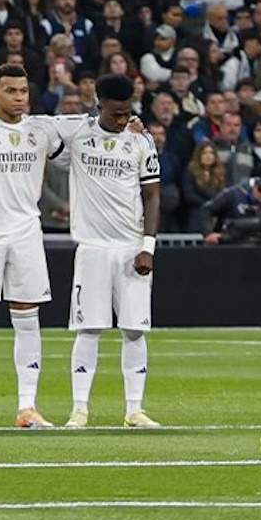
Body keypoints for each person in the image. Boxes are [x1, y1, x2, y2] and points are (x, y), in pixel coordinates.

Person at [0, 60, 92, 429]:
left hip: (26, 235)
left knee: (28, 320)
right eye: (10, 90)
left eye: (23, 91)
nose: (19, 97)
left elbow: (94, 124)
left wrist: (134, 126)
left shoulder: (42, 129)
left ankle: (27, 408)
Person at [64, 70, 162, 430]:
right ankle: (79, 410)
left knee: (135, 330)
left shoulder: (141, 142)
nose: (122, 119)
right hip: (91, 248)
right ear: (98, 104)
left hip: (130, 248)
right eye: (115, 113)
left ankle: (134, 410)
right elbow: (35, 129)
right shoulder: (77, 136)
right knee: (88, 329)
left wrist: (148, 246)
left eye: (127, 112)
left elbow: (152, 195)